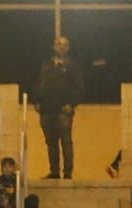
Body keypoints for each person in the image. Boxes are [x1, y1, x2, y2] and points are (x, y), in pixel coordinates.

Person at [37, 36, 83, 180]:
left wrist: (72, 104)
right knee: (51, 143)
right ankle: (54, 172)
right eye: (58, 44)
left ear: (68, 48)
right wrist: (37, 101)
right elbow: (39, 83)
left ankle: (68, 173)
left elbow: (80, 88)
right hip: (46, 111)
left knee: (66, 142)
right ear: (54, 46)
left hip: (64, 111)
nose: (61, 47)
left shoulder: (73, 66)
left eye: (64, 45)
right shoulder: (46, 64)